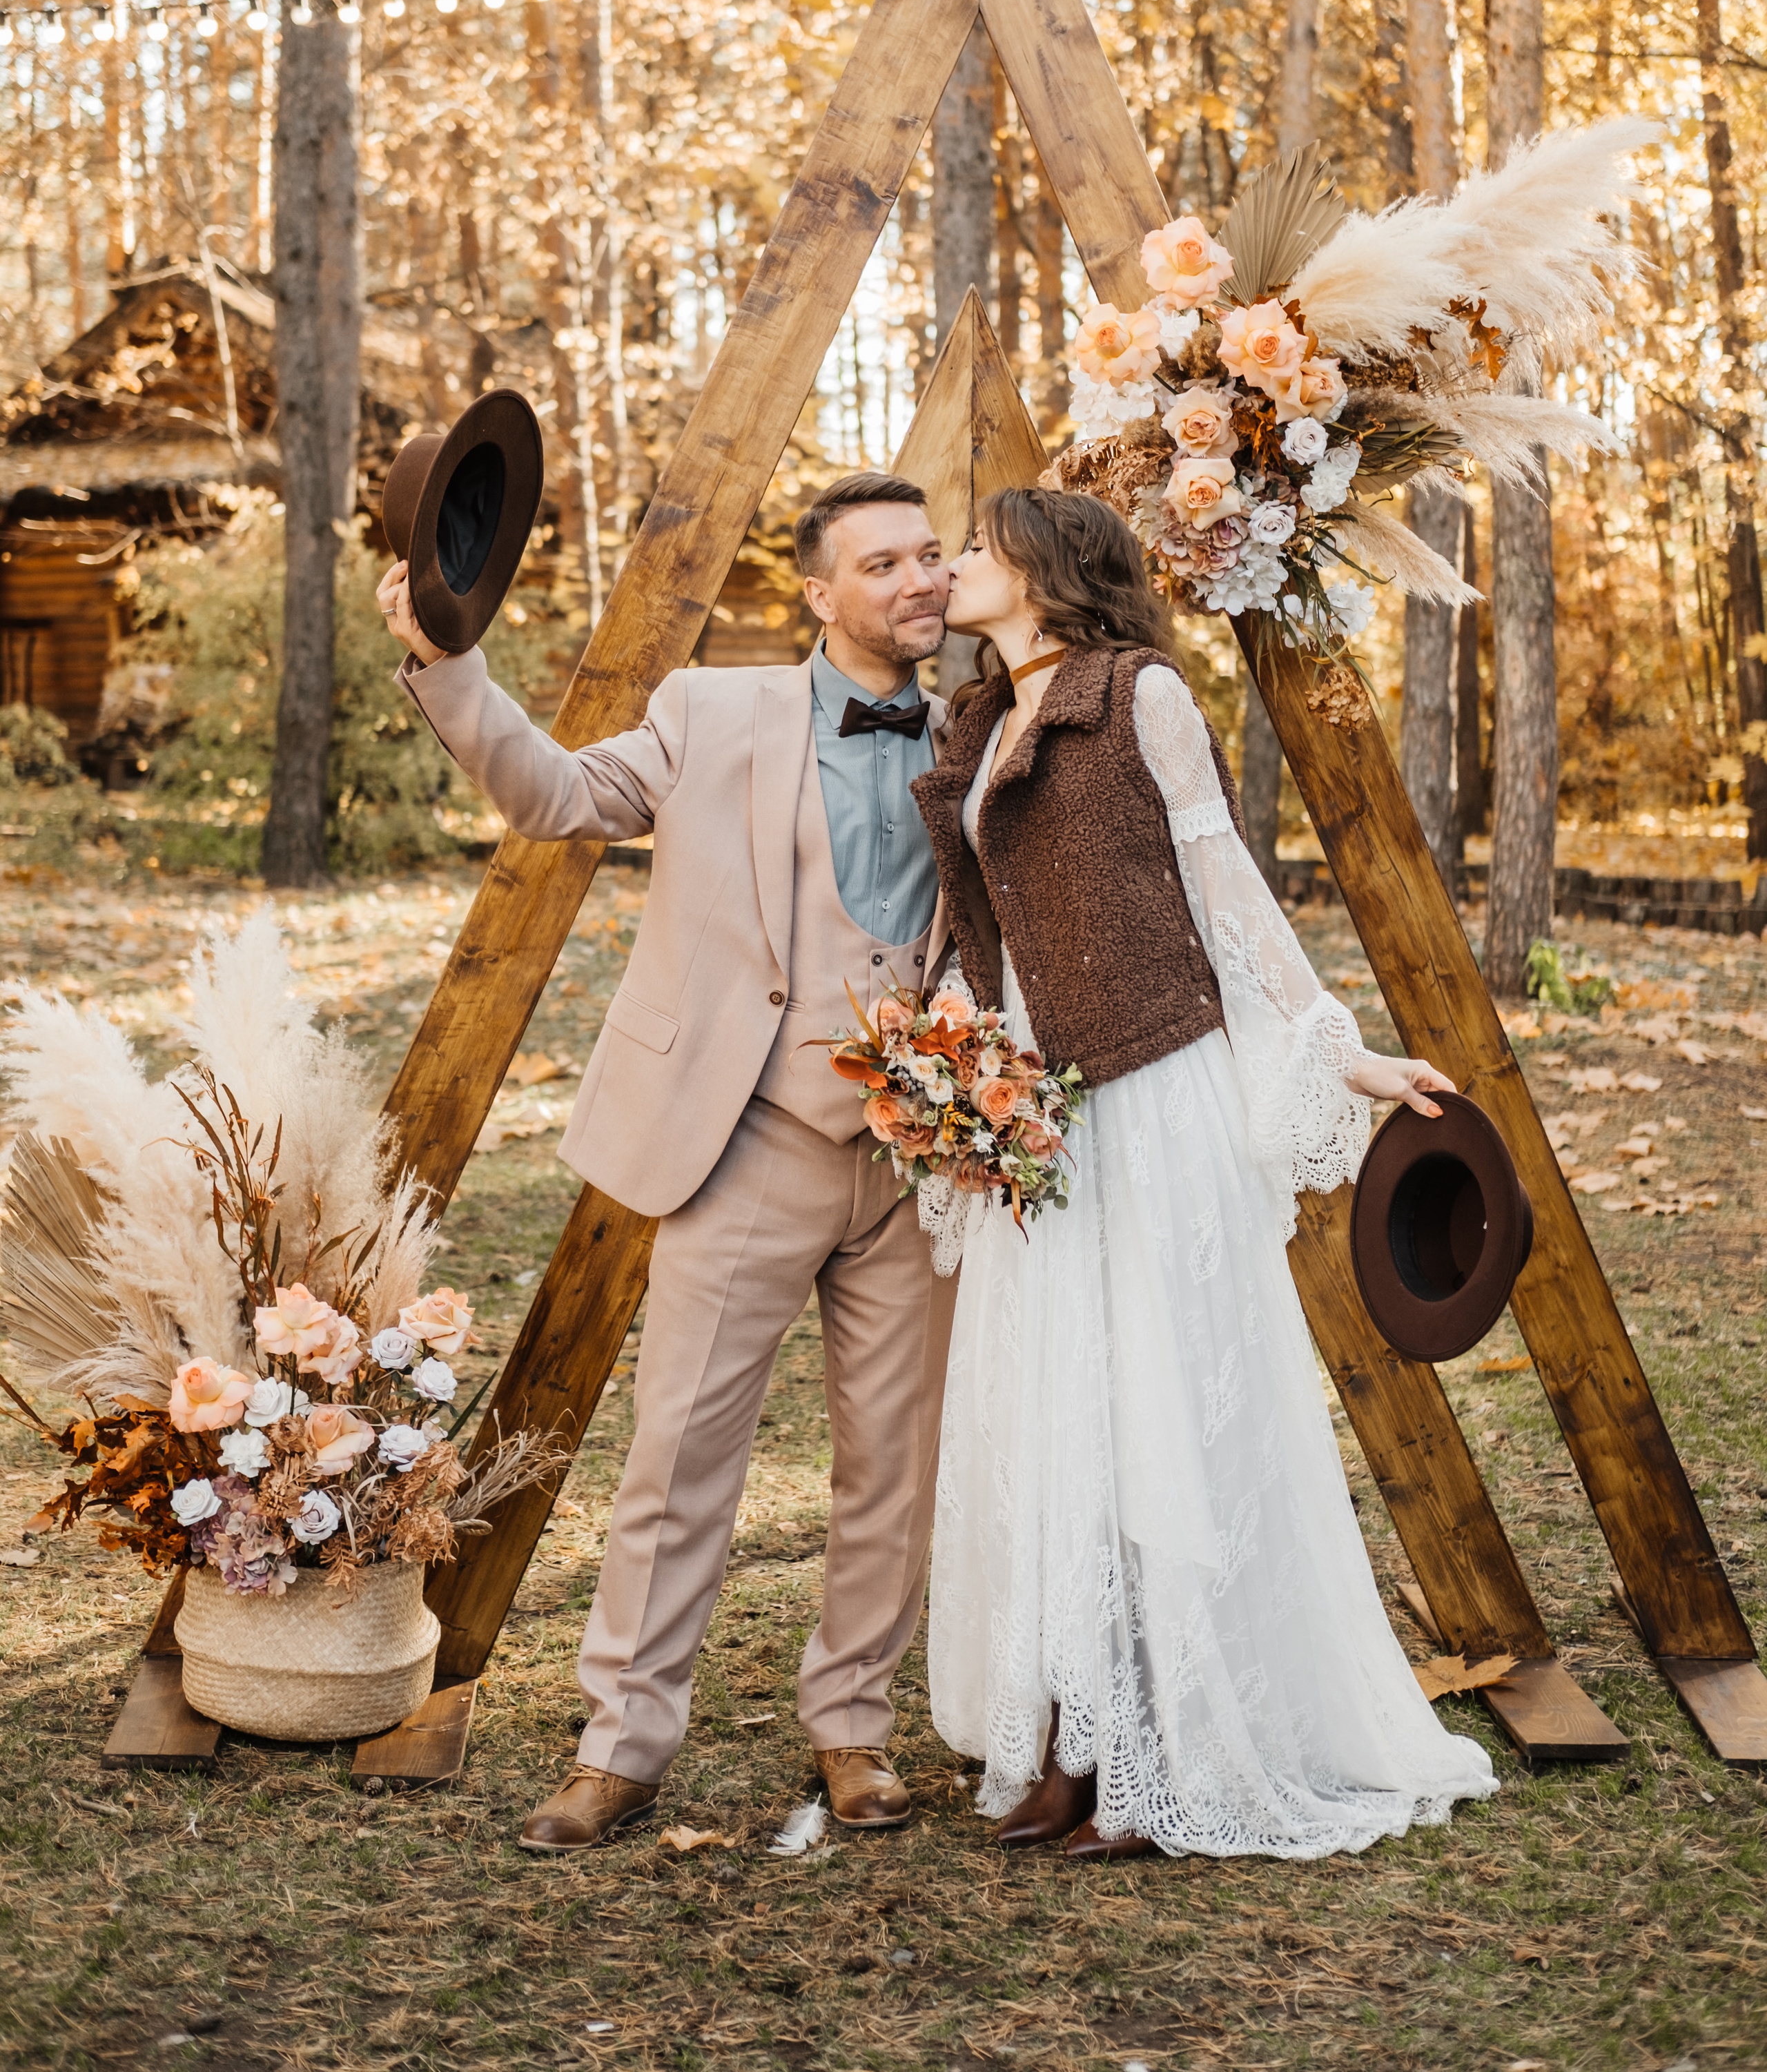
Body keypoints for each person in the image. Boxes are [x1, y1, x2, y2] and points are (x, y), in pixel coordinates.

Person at [908, 485, 1498, 1861]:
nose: (953, 567)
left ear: (1049, 576)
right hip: (1032, 1106)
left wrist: (1335, 1055)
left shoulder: (1135, 695)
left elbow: (1222, 889)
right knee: (1050, 1417)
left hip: (1148, 1085)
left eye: (976, 551)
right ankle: (1066, 1739)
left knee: (1155, 1415)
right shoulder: (976, 720)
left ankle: (1166, 1751)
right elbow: (970, 918)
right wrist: (942, 1068)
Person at [377, 472, 961, 1853]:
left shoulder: (983, 728)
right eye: (884, 564)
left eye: (932, 555)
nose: (921, 581)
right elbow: (558, 797)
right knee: (678, 1456)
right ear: (820, 596)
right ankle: (621, 1744)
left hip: (923, 1157)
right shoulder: (712, 711)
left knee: (895, 1468)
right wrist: (447, 666)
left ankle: (854, 1730)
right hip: (743, 1138)